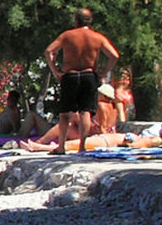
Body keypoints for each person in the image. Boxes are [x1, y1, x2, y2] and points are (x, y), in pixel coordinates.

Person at [45, 8, 120, 154]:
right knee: (85, 112)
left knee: (65, 113)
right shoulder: (97, 37)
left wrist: (56, 71)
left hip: (70, 75)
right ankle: (82, 147)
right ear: (90, 21)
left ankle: (61, 147)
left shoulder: (67, 35)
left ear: (76, 20)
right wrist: (103, 73)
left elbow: (49, 51)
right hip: (88, 75)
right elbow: (114, 55)